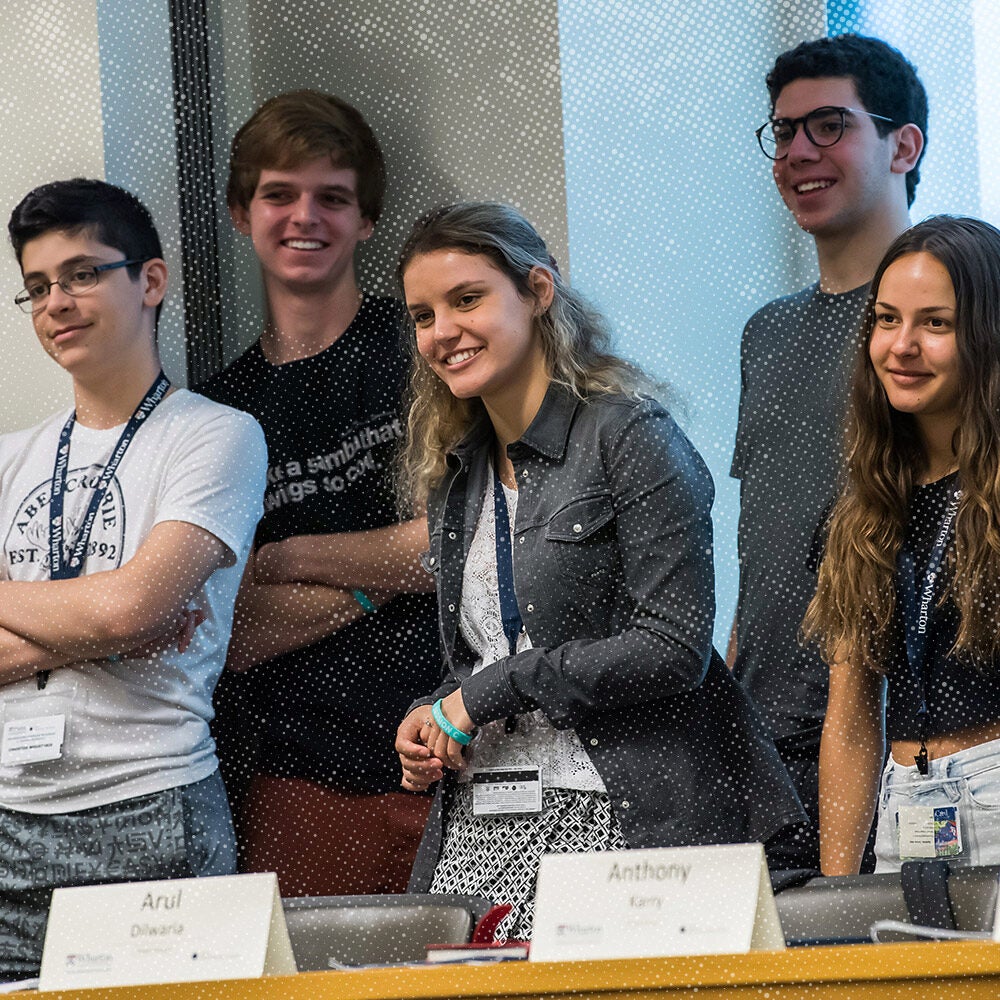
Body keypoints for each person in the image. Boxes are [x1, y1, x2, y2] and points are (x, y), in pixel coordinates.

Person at [394, 202, 803, 939]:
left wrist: (487, 692)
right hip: (480, 826)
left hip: (622, 818)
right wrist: (435, 714)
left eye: (467, 299)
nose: (441, 332)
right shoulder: (457, 472)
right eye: (423, 315)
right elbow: (485, 657)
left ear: (538, 291)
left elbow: (673, 648)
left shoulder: (629, 436)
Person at [0, 178, 266, 980]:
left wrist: (121, 615)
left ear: (150, 281)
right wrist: (113, 618)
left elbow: (130, 607)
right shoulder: (8, 455)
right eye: (38, 286)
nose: (57, 303)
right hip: (8, 815)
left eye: (82, 274)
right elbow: (127, 614)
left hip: (151, 803)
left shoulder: (216, 435)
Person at [199, 90, 440, 896]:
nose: (305, 217)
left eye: (332, 197)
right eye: (279, 194)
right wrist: (388, 570)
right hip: (299, 779)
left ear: (365, 221)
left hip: (460, 749)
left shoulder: (426, 351)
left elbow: (470, 543)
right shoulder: (215, 413)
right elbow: (225, 632)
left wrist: (292, 557)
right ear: (241, 212)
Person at [730, 34, 927, 870]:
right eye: (783, 133)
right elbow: (763, 538)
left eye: (828, 126)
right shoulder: (767, 333)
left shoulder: (954, 316)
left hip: (902, 729)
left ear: (903, 144)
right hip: (765, 738)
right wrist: (725, 714)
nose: (799, 153)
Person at [805, 216, 1000, 874]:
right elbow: (851, 718)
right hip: (904, 811)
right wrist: (837, 890)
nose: (902, 346)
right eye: (887, 320)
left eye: (935, 324)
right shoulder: (860, 513)